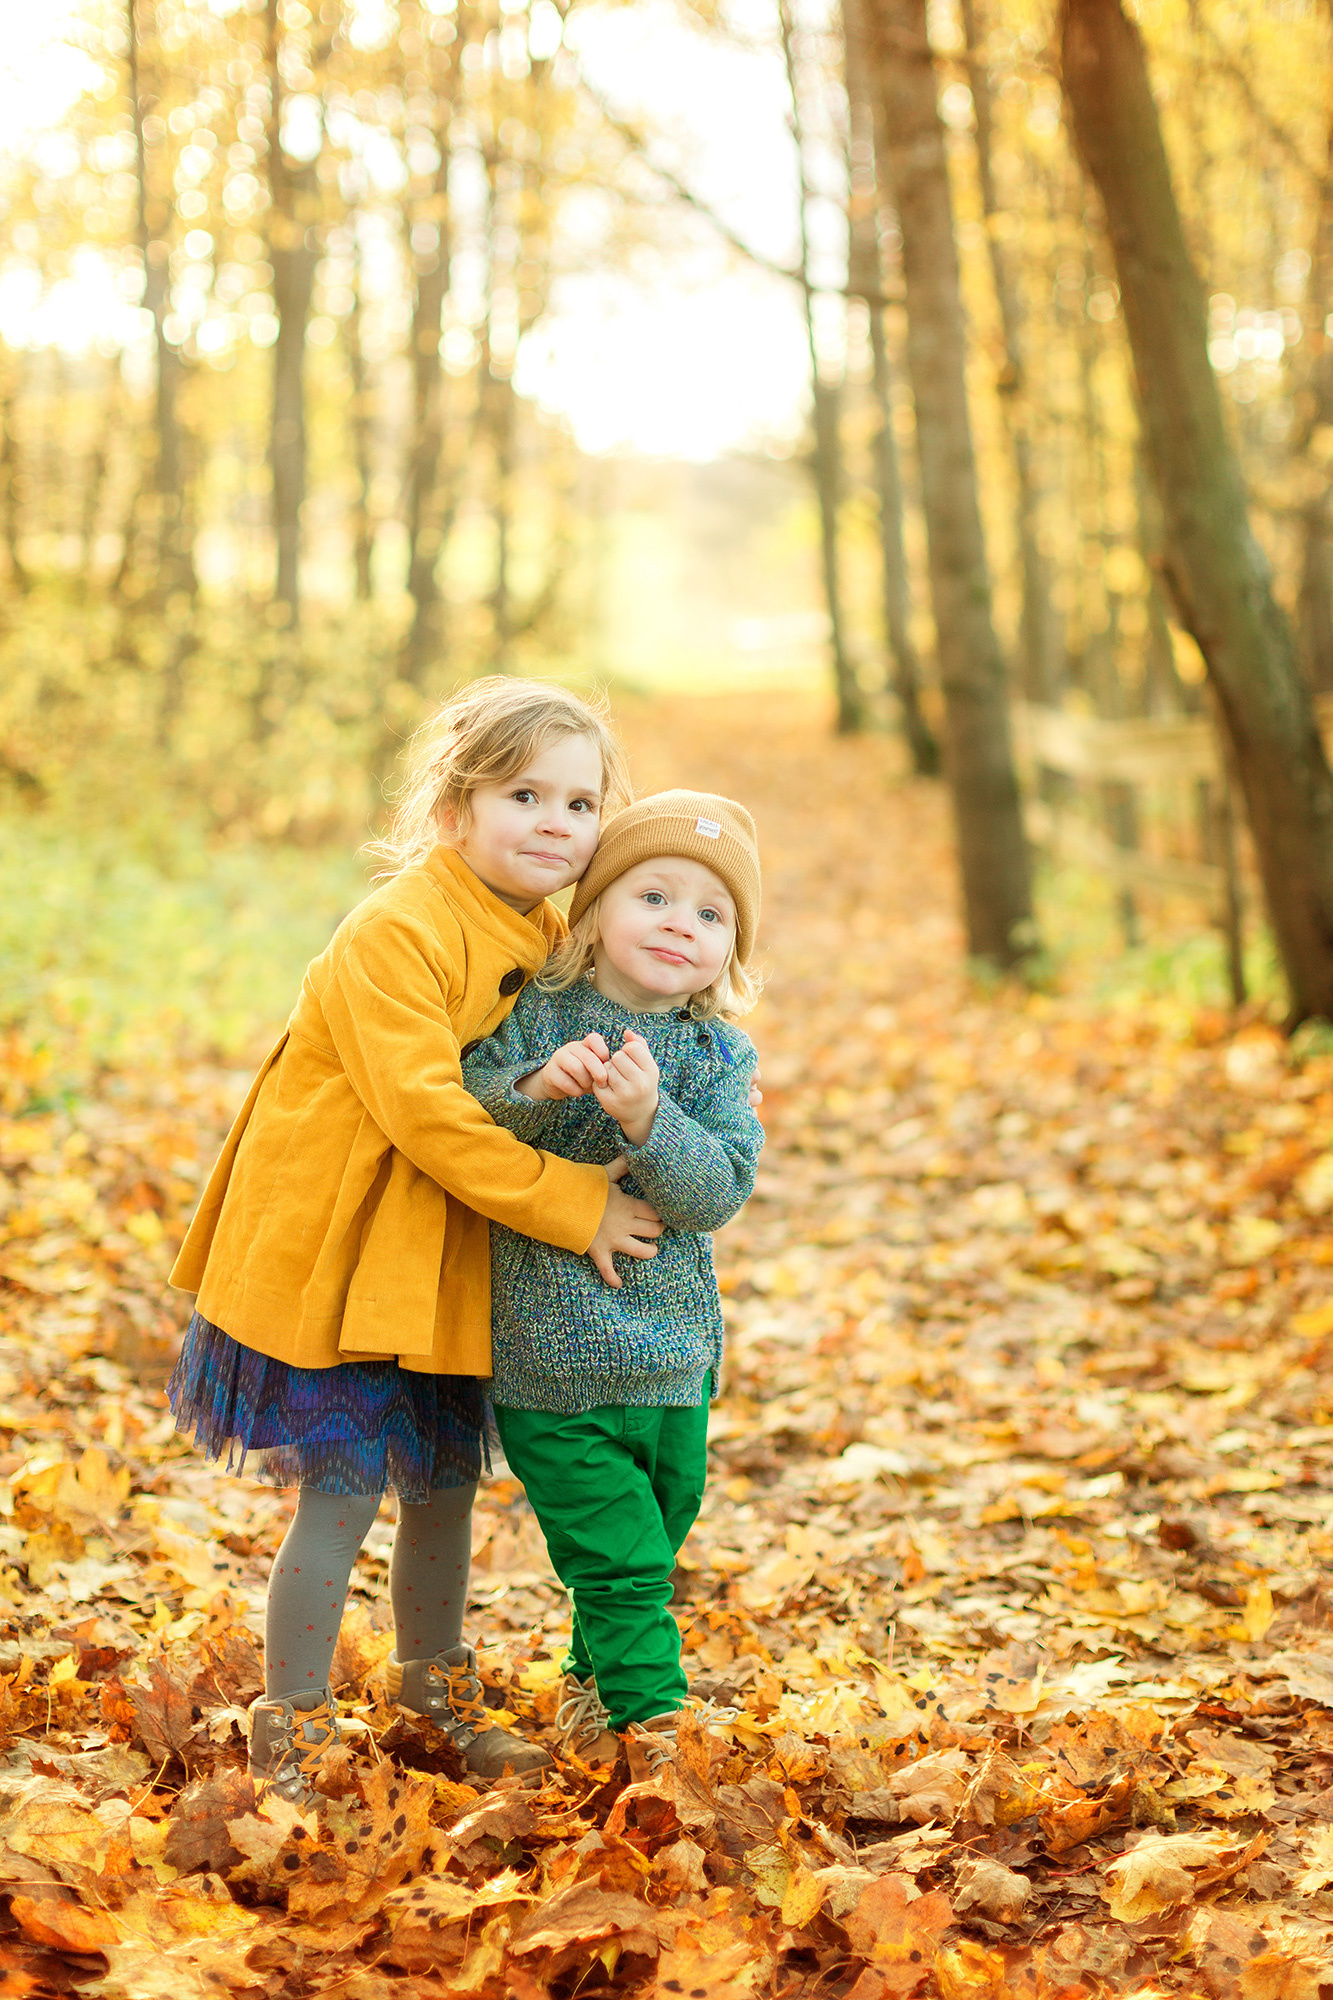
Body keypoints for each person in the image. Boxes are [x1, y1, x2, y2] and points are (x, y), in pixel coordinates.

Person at [165, 678, 665, 1803]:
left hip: (441, 1253)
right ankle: (289, 1726)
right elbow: (429, 1114)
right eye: (523, 795)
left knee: (442, 1486)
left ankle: (433, 1691)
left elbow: (571, 1043)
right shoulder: (397, 931)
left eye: (580, 803)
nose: (555, 822)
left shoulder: (547, 929)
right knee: (343, 1490)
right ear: (451, 810)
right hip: (343, 1246)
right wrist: (573, 1202)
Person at [461, 789, 764, 1771]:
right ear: (592, 913)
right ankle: (655, 1733)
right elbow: (465, 1114)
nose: (680, 923)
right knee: (622, 1562)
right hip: (552, 1360)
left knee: (655, 1534)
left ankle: (589, 1691)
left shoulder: (716, 1055)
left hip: (674, 1359)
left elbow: (717, 1191)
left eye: (710, 913)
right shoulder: (536, 1011)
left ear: (730, 949)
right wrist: (533, 1087)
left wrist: (650, 1121)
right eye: (654, 896)